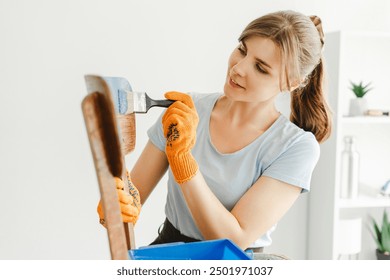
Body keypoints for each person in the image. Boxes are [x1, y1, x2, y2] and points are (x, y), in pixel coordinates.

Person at [98, 10, 332, 252]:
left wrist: (183, 162)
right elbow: (130, 198)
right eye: (242, 49)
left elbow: (233, 240)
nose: (238, 68)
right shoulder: (186, 110)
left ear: (291, 83)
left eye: (260, 67)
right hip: (168, 255)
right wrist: (115, 210)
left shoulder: (295, 147)